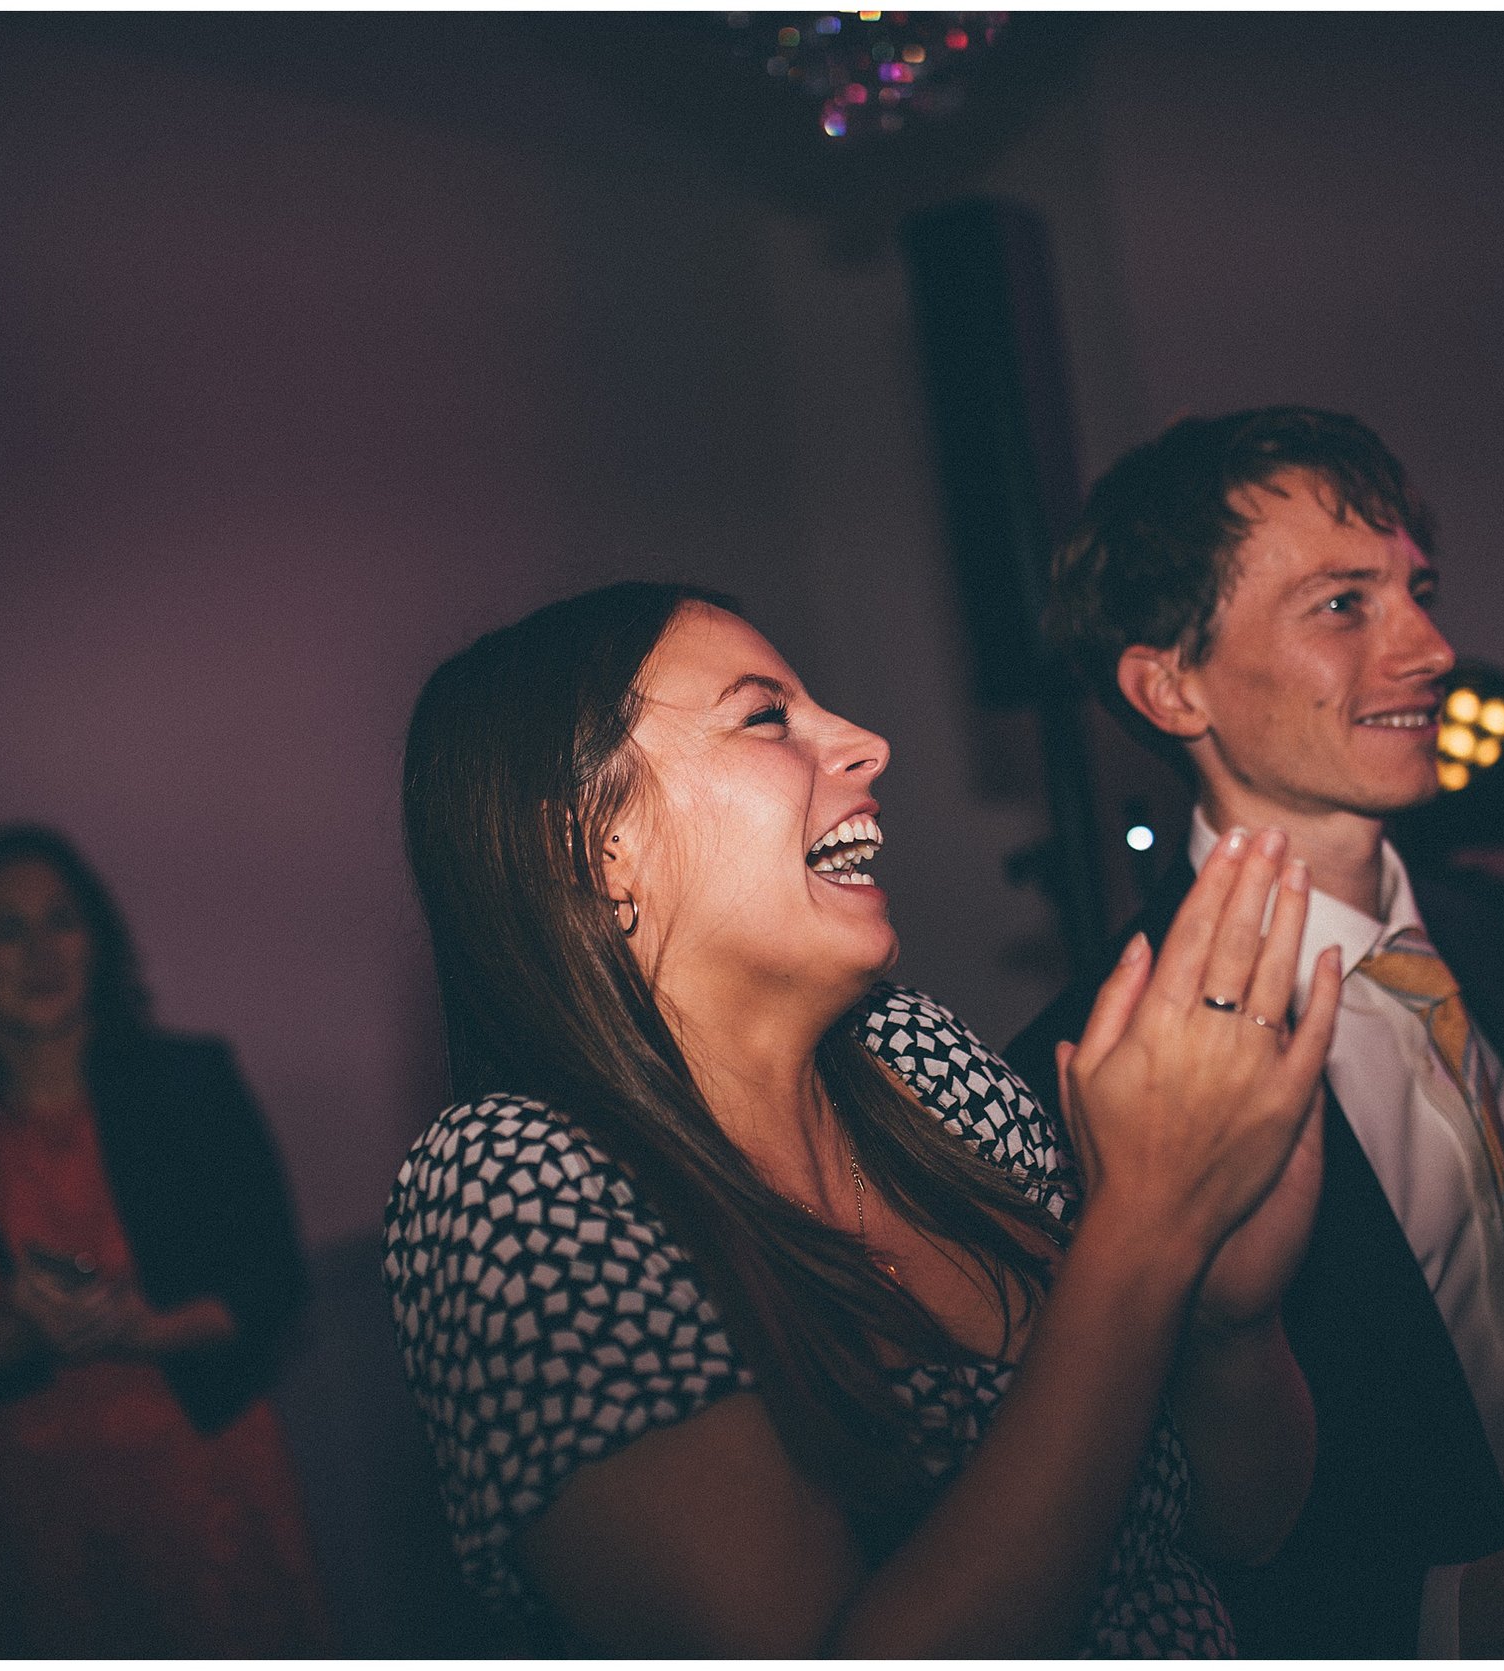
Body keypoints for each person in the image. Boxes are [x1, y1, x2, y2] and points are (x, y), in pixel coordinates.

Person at [385, 580, 1343, 1656]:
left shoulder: (919, 1066)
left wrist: (1227, 1318)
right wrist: (1144, 1234)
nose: (868, 744)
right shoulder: (511, 1184)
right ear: (599, 847)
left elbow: (1240, 1526)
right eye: (764, 716)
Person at [1007, 406, 1504, 1657]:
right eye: (1344, 603)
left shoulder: (1474, 942)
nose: (1433, 647)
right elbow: (1117, 1549)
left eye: (1417, 591)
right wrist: (1439, 1615)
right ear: (1169, 684)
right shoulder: (1091, 1071)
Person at [0, 823, 330, 1655]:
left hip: (204, 1484)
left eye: (62, 919)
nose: (41, 951)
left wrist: (147, 1329)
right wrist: (19, 1330)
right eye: (6, 929)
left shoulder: (190, 1080)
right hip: (21, 1515)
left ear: (98, 938)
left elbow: (274, 1282)